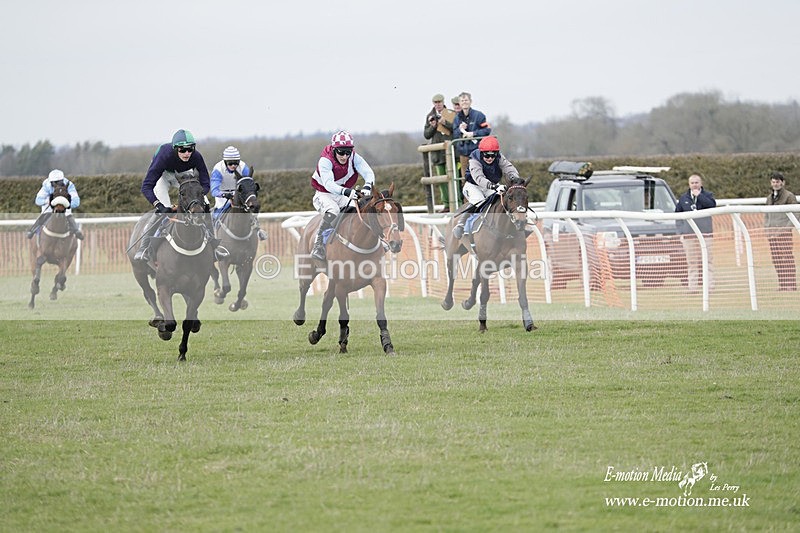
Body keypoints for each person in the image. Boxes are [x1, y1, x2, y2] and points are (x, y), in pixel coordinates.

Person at [134, 129, 226, 262]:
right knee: (163, 210)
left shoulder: (196, 157)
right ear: (175, 149)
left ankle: (214, 247)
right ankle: (144, 247)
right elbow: (146, 186)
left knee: (205, 203)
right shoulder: (164, 156)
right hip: (163, 176)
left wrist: (196, 198)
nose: (187, 153)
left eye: (190, 149)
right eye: (182, 150)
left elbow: (206, 183)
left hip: (183, 176)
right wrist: (158, 205)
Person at [309, 130, 376, 261]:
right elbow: (329, 184)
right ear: (334, 149)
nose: (345, 156)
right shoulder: (325, 161)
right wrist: (347, 192)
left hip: (342, 194)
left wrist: (368, 185)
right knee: (333, 210)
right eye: (341, 152)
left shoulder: (354, 157)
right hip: (323, 194)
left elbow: (369, 173)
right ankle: (318, 245)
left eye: (348, 152)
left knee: (360, 208)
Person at [452, 136, 519, 239]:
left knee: (502, 200)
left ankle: (512, 225)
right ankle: (460, 224)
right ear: (481, 153)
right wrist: (494, 186)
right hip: (473, 186)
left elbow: (508, 168)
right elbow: (479, 178)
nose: (490, 158)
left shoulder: (499, 157)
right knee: (479, 200)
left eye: (493, 155)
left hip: (490, 187)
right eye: (487, 155)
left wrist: (514, 178)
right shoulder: (474, 159)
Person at [210, 145, 266, 240]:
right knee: (216, 215)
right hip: (223, 197)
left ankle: (258, 228)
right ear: (225, 162)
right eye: (230, 163)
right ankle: (212, 236)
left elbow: (248, 184)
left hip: (239, 194)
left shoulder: (243, 167)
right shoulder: (218, 169)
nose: (233, 166)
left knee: (251, 207)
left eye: (236, 163)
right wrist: (224, 194)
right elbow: (214, 191)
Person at [675, 174, 716, 293]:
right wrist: (681, 231)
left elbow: (712, 205)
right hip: (689, 236)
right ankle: (692, 287)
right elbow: (677, 216)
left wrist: (700, 196)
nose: (694, 185)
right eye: (692, 183)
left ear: (701, 183)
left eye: (697, 182)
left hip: (705, 234)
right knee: (692, 262)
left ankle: (710, 286)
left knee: (707, 260)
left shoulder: (708, 195)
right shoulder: (683, 198)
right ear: (689, 184)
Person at [26, 169, 84, 240]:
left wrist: (65, 204)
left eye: (58, 182)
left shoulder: (69, 185)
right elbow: (38, 200)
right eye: (54, 183)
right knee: (45, 214)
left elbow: (76, 202)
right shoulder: (47, 185)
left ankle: (76, 230)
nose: (56, 185)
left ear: (62, 181)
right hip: (50, 206)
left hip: (64, 207)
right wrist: (48, 201)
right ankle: (32, 230)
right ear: (51, 182)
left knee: (68, 214)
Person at [765, 171, 798, 291]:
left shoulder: (789, 196)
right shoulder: (769, 198)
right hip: (772, 234)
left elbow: (796, 213)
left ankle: (791, 284)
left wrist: (786, 229)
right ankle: (782, 284)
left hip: (783, 233)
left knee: (786, 258)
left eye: (777, 182)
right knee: (776, 259)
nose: (775, 184)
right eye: (773, 182)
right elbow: (767, 215)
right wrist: (767, 229)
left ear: (782, 183)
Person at [423, 93, 455, 212]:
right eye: (436, 103)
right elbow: (426, 135)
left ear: (443, 102)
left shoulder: (450, 114)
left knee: (453, 178)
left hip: (450, 152)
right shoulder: (429, 116)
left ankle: (456, 202)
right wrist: (433, 126)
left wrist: (445, 122)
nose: (438, 105)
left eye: (439, 102)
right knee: (442, 181)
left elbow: (455, 129)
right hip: (438, 153)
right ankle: (446, 204)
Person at [452, 92, 491, 179]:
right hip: (463, 153)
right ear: (459, 103)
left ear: (470, 101)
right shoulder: (457, 118)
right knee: (464, 178)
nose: (464, 102)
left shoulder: (479, 115)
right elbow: (454, 134)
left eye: (466, 100)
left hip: (477, 152)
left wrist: (474, 134)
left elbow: (487, 130)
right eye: (462, 100)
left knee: (479, 176)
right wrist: (460, 130)